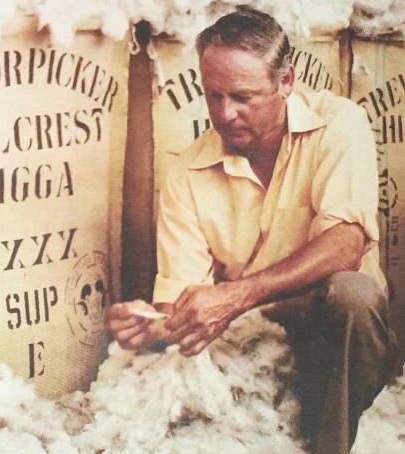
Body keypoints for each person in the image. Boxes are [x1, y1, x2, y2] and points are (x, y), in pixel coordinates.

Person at [108, 6, 398, 454]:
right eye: (213, 95)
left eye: (243, 97)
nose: (225, 114)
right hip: (254, 343)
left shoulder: (339, 125)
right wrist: (155, 327)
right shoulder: (187, 172)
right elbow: (182, 301)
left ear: (286, 82)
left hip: (339, 340)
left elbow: (347, 244)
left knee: (352, 294)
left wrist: (236, 295)